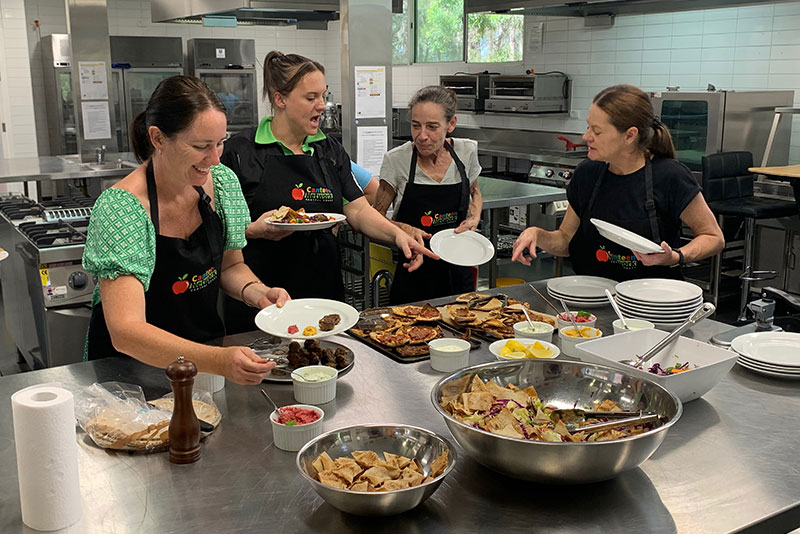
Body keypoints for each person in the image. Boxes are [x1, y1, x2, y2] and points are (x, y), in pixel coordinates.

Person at [83, 75, 290, 385]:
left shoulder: (221, 185)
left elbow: (231, 265)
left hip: (202, 365)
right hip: (129, 377)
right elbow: (126, 331)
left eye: (220, 142)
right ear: (158, 139)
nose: (215, 158)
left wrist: (257, 293)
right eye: (201, 146)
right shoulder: (122, 209)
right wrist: (218, 360)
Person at [220, 51, 435, 333]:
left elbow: (358, 210)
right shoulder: (240, 152)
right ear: (280, 99)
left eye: (324, 95)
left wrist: (398, 235)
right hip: (261, 293)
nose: (322, 105)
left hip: (323, 290)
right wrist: (252, 230)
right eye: (311, 98)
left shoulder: (329, 150)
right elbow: (219, 229)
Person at [512, 84, 724, 281]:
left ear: (629, 135)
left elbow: (713, 237)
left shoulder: (670, 176)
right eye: (588, 128)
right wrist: (537, 234)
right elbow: (566, 239)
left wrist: (677, 256)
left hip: (651, 302)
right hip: (591, 298)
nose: (586, 137)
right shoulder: (587, 174)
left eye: (597, 131)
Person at [373, 85, 483, 304]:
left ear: (451, 124)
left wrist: (473, 219)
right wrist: (405, 230)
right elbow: (376, 217)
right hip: (414, 270)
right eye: (416, 126)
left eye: (432, 127)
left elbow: (475, 193)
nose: (421, 136)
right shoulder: (397, 160)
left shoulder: (466, 152)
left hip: (458, 269)